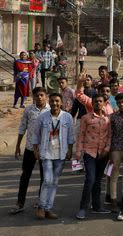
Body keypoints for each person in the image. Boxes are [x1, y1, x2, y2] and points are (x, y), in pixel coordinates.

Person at [30, 93, 75, 220]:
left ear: (61, 103)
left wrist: (70, 150)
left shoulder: (67, 117)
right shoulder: (42, 117)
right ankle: (41, 207)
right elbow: (36, 135)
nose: (55, 103)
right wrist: (35, 150)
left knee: (54, 182)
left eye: (57, 101)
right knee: (47, 180)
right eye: (52, 101)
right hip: (46, 153)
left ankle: (48, 209)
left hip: (61, 153)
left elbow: (71, 136)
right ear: (49, 102)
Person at [9, 87, 48, 215]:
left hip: (46, 150)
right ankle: (20, 203)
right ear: (33, 97)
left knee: (45, 178)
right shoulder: (29, 110)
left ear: (46, 96)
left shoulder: (51, 110)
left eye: (42, 95)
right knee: (25, 176)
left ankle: (40, 202)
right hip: (30, 148)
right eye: (37, 95)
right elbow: (22, 127)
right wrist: (17, 145)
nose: (39, 97)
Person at [75, 94, 112, 220]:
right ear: (92, 103)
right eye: (95, 101)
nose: (97, 103)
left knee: (97, 181)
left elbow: (110, 136)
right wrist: (78, 152)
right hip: (89, 152)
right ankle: (82, 208)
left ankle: (97, 206)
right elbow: (81, 135)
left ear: (104, 103)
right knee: (90, 179)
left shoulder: (107, 119)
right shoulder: (86, 118)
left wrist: (107, 149)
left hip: (103, 154)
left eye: (100, 101)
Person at [108, 93, 123, 212]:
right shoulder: (112, 117)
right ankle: (113, 200)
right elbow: (110, 134)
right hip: (116, 148)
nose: (122, 104)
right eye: (119, 102)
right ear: (116, 103)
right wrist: (109, 151)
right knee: (114, 174)